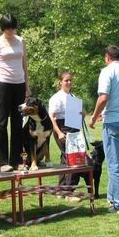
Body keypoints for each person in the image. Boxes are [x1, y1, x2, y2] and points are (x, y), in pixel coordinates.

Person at [89, 45, 119, 214]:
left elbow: (103, 97)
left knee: (114, 165)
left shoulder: (107, 72)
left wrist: (94, 117)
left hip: (114, 123)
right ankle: (112, 198)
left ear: (107, 57)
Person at [0, 14, 30, 172]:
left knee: (18, 122)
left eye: (12, 28)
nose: (10, 32)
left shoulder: (21, 40)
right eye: (7, 29)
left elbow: (24, 64)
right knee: (2, 122)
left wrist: (27, 87)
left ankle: (17, 159)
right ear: (2, 29)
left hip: (19, 83)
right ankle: (1, 161)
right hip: (3, 84)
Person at [48, 71, 88, 202]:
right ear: (60, 82)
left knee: (66, 157)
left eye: (70, 80)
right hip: (62, 128)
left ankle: (61, 189)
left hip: (73, 127)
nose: (69, 82)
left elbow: (76, 114)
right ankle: (68, 192)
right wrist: (59, 133)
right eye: (66, 80)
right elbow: (52, 117)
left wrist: (82, 113)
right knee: (71, 158)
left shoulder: (73, 96)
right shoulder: (56, 97)